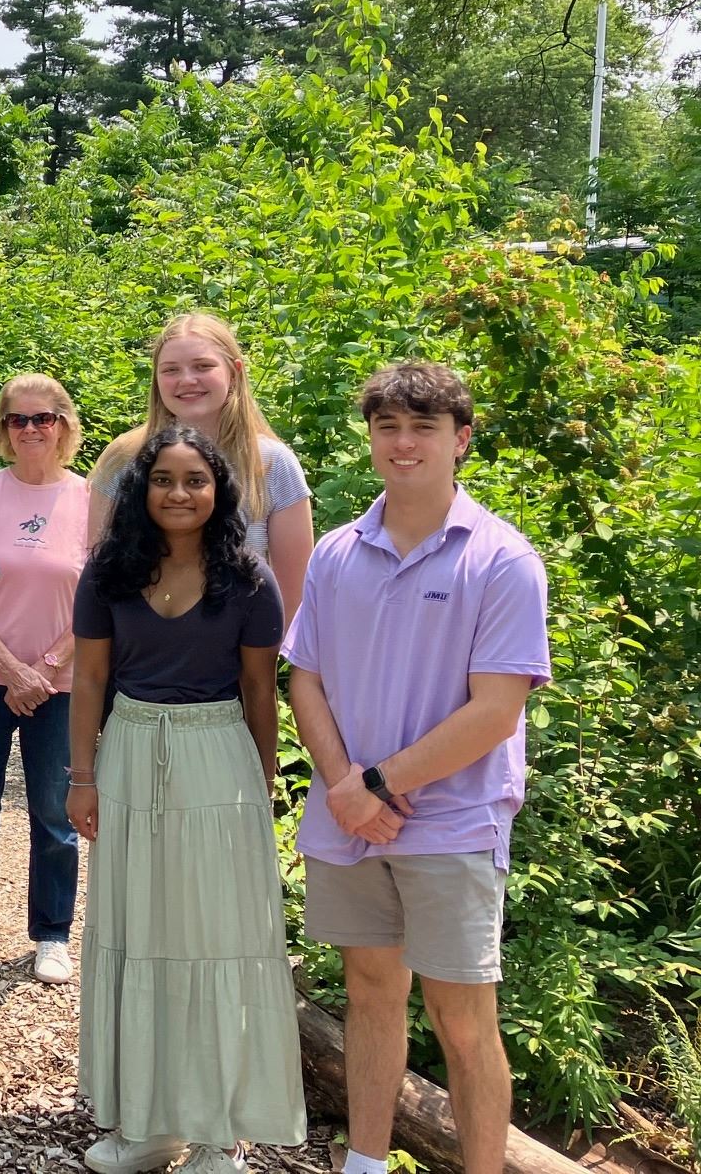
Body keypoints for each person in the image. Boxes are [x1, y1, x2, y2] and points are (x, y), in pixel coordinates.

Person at [285, 364, 548, 1174]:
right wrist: (346, 789)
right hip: (353, 813)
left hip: (454, 824)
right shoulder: (337, 553)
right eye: (388, 426)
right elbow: (307, 677)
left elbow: (495, 711)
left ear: (461, 439)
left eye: (424, 428)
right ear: (370, 437)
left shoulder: (502, 560)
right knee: (370, 993)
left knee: (464, 1020)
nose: (403, 444)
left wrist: (373, 787)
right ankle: (364, 1163)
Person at [66, 426, 305, 1174]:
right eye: (164, 479)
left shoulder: (248, 577)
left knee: (213, 938)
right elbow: (91, 682)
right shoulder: (108, 572)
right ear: (143, 489)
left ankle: (214, 1131)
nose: (178, 492)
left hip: (218, 754)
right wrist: (81, 776)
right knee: (139, 932)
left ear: (218, 490)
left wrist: (259, 789)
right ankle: (148, 1121)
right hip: (132, 749)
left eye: (195, 479)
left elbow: (262, 688)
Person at [0, 373, 88, 982]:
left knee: (54, 812)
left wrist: (48, 666)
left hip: (63, 682)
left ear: (64, 425)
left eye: (43, 418)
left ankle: (52, 933)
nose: (31, 429)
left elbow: (101, 596)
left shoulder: (91, 499)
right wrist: (9, 666)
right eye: (18, 420)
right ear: (4, 429)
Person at [88, 313, 312, 621]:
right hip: (134, 662)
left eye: (203, 366)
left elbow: (293, 602)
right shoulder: (122, 460)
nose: (187, 380)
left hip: (241, 662)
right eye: (171, 370)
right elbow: (98, 584)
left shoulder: (273, 464)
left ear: (234, 373)